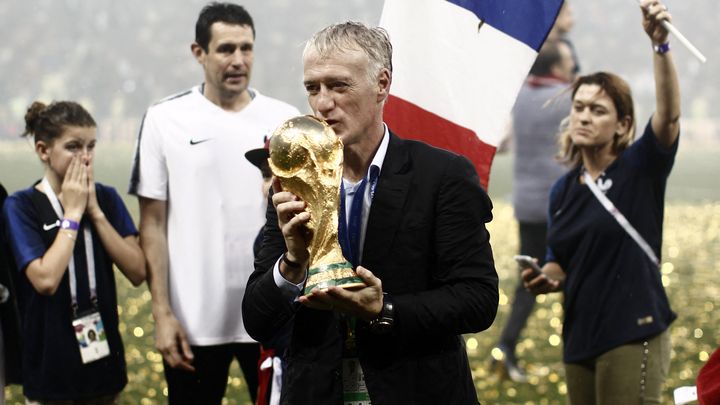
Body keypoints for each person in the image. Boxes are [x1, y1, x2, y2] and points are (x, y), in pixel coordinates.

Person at [242, 22, 498, 404]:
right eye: (313, 88)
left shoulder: (441, 176)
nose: (323, 103)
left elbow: (477, 300)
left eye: (339, 86)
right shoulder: (293, 180)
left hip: (417, 390)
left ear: (382, 84)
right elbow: (258, 319)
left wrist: (385, 307)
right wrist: (291, 265)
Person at [128, 3, 300, 404]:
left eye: (246, 48)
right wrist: (162, 315)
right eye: (226, 49)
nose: (238, 60)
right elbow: (151, 224)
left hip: (272, 315)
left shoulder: (284, 119)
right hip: (193, 324)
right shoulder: (164, 118)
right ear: (198, 52)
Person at [523, 1, 680, 404]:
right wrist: (547, 277)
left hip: (634, 329)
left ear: (623, 125)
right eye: (579, 108)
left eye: (598, 110)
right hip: (579, 335)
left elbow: (669, 117)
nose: (584, 117)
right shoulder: (563, 190)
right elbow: (561, 257)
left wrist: (660, 46)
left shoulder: (640, 168)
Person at [2, 101, 146, 404]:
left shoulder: (105, 197)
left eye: (91, 146)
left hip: (103, 366)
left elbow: (137, 271)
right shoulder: (21, 205)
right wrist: (73, 214)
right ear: (43, 150)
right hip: (48, 368)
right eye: (73, 147)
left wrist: (94, 211)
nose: (85, 158)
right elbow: (45, 279)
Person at [492, 39, 576, 382]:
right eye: (568, 60)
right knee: (572, 276)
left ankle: (506, 349)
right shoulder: (568, 99)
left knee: (529, 279)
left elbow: (506, 142)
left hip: (527, 202)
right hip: (562, 201)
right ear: (556, 66)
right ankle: (576, 352)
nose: (572, 65)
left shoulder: (520, 97)